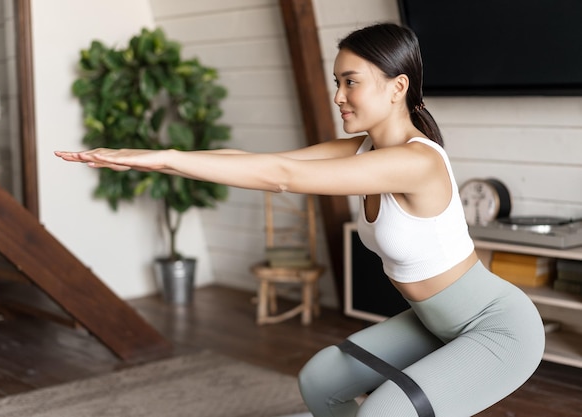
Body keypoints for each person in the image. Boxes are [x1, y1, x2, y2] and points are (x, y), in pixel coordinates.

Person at [56, 23, 545, 417]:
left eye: (350, 81)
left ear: (397, 87)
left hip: (499, 330)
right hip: (432, 322)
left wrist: (164, 160)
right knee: (320, 381)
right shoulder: (363, 148)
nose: (338, 96)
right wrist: (156, 155)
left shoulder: (417, 161)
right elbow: (261, 160)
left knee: (383, 413)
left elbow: (281, 177)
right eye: (337, 82)